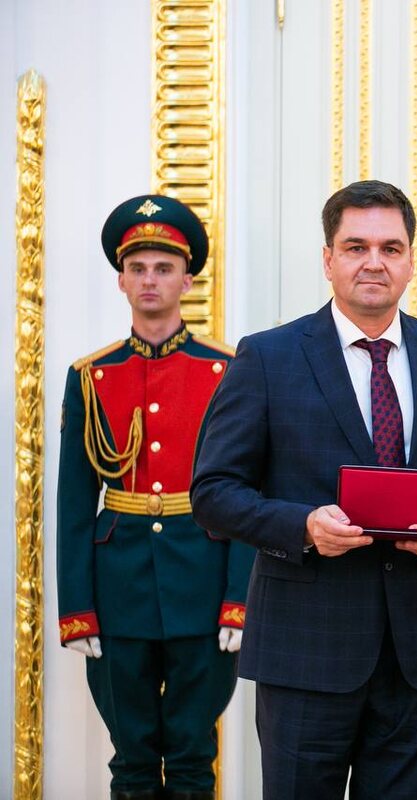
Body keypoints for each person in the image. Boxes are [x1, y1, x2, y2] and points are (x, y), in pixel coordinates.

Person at [190, 179, 417, 800]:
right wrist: (302, 528)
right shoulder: (269, 357)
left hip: (416, 653)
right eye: (355, 246)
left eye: (390, 247)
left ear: (412, 260)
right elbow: (213, 492)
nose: (373, 262)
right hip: (304, 648)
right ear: (328, 259)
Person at [56, 194, 252, 800]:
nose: (150, 279)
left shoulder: (229, 370)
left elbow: (246, 492)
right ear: (121, 278)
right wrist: (77, 608)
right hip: (120, 591)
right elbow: (72, 504)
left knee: (194, 757)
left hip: (203, 579)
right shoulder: (92, 376)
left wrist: (238, 597)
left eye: (163, 267)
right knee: (133, 760)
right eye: (138, 267)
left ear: (187, 277)